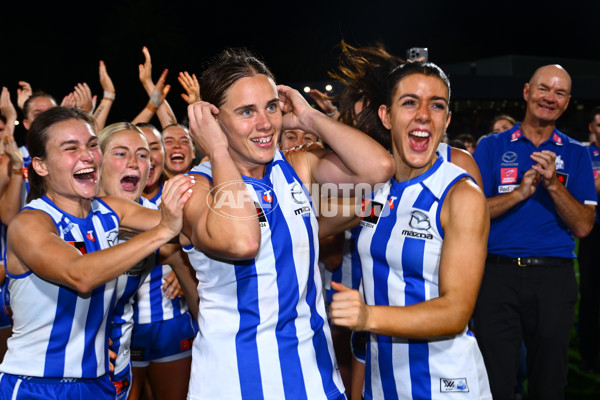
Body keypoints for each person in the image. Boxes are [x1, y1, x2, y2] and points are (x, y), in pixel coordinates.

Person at [180, 47, 395, 399]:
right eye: (246, 112)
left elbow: (378, 170)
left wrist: (310, 119)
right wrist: (217, 151)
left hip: (313, 374)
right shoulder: (196, 187)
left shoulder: (294, 167)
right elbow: (241, 242)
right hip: (237, 380)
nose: (265, 123)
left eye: (270, 106)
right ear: (214, 120)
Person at [0, 107, 194, 399]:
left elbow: (192, 226)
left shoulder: (111, 210)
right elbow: (81, 274)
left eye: (92, 145)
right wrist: (165, 230)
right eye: (71, 148)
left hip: (100, 382)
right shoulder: (29, 223)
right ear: (40, 166)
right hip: (38, 385)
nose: (87, 155)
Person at [328, 61, 491, 400]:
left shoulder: (460, 196)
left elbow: (456, 311)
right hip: (382, 379)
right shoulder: (377, 193)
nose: (423, 115)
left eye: (437, 105)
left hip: (443, 384)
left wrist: (368, 315)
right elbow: (315, 226)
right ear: (387, 116)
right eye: (410, 102)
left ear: (446, 121)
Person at [472, 64, 597, 400]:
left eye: (559, 93)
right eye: (544, 89)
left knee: (549, 384)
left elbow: (584, 225)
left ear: (568, 102)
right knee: (494, 382)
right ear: (527, 92)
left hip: (553, 278)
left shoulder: (577, 152)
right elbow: (471, 213)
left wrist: (553, 186)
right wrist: (519, 194)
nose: (550, 98)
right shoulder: (491, 147)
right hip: (496, 275)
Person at [96, 122, 197, 400]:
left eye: (143, 155)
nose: (135, 162)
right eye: (120, 153)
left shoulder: (158, 216)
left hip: (127, 345)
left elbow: (197, 235)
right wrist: (80, 340)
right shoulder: (73, 218)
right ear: (97, 160)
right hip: (68, 362)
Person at [577, 105, 600, 374]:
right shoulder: (585, 155)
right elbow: (589, 189)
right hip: (593, 234)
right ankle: (588, 355)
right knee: (591, 298)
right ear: (592, 129)